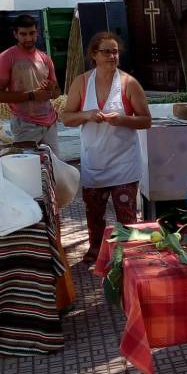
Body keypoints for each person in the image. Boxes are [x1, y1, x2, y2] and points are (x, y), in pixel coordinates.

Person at [60, 32, 151, 263]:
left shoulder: (129, 83)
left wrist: (122, 120)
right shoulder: (81, 83)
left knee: (127, 214)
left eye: (115, 51)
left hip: (124, 163)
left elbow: (146, 120)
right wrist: (86, 115)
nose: (112, 56)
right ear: (94, 54)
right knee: (94, 213)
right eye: (106, 51)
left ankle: (129, 254)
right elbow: (67, 118)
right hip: (94, 162)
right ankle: (96, 250)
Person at [0, 14, 61, 154]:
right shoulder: (6, 58)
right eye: (23, 34)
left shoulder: (45, 58)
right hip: (24, 124)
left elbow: (57, 92)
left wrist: (50, 89)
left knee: (54, 168)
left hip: (50, 123)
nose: (28, 38)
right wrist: (31, 95)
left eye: (32, 33)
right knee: (27, 169)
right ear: (15, 34)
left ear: (37, 32)